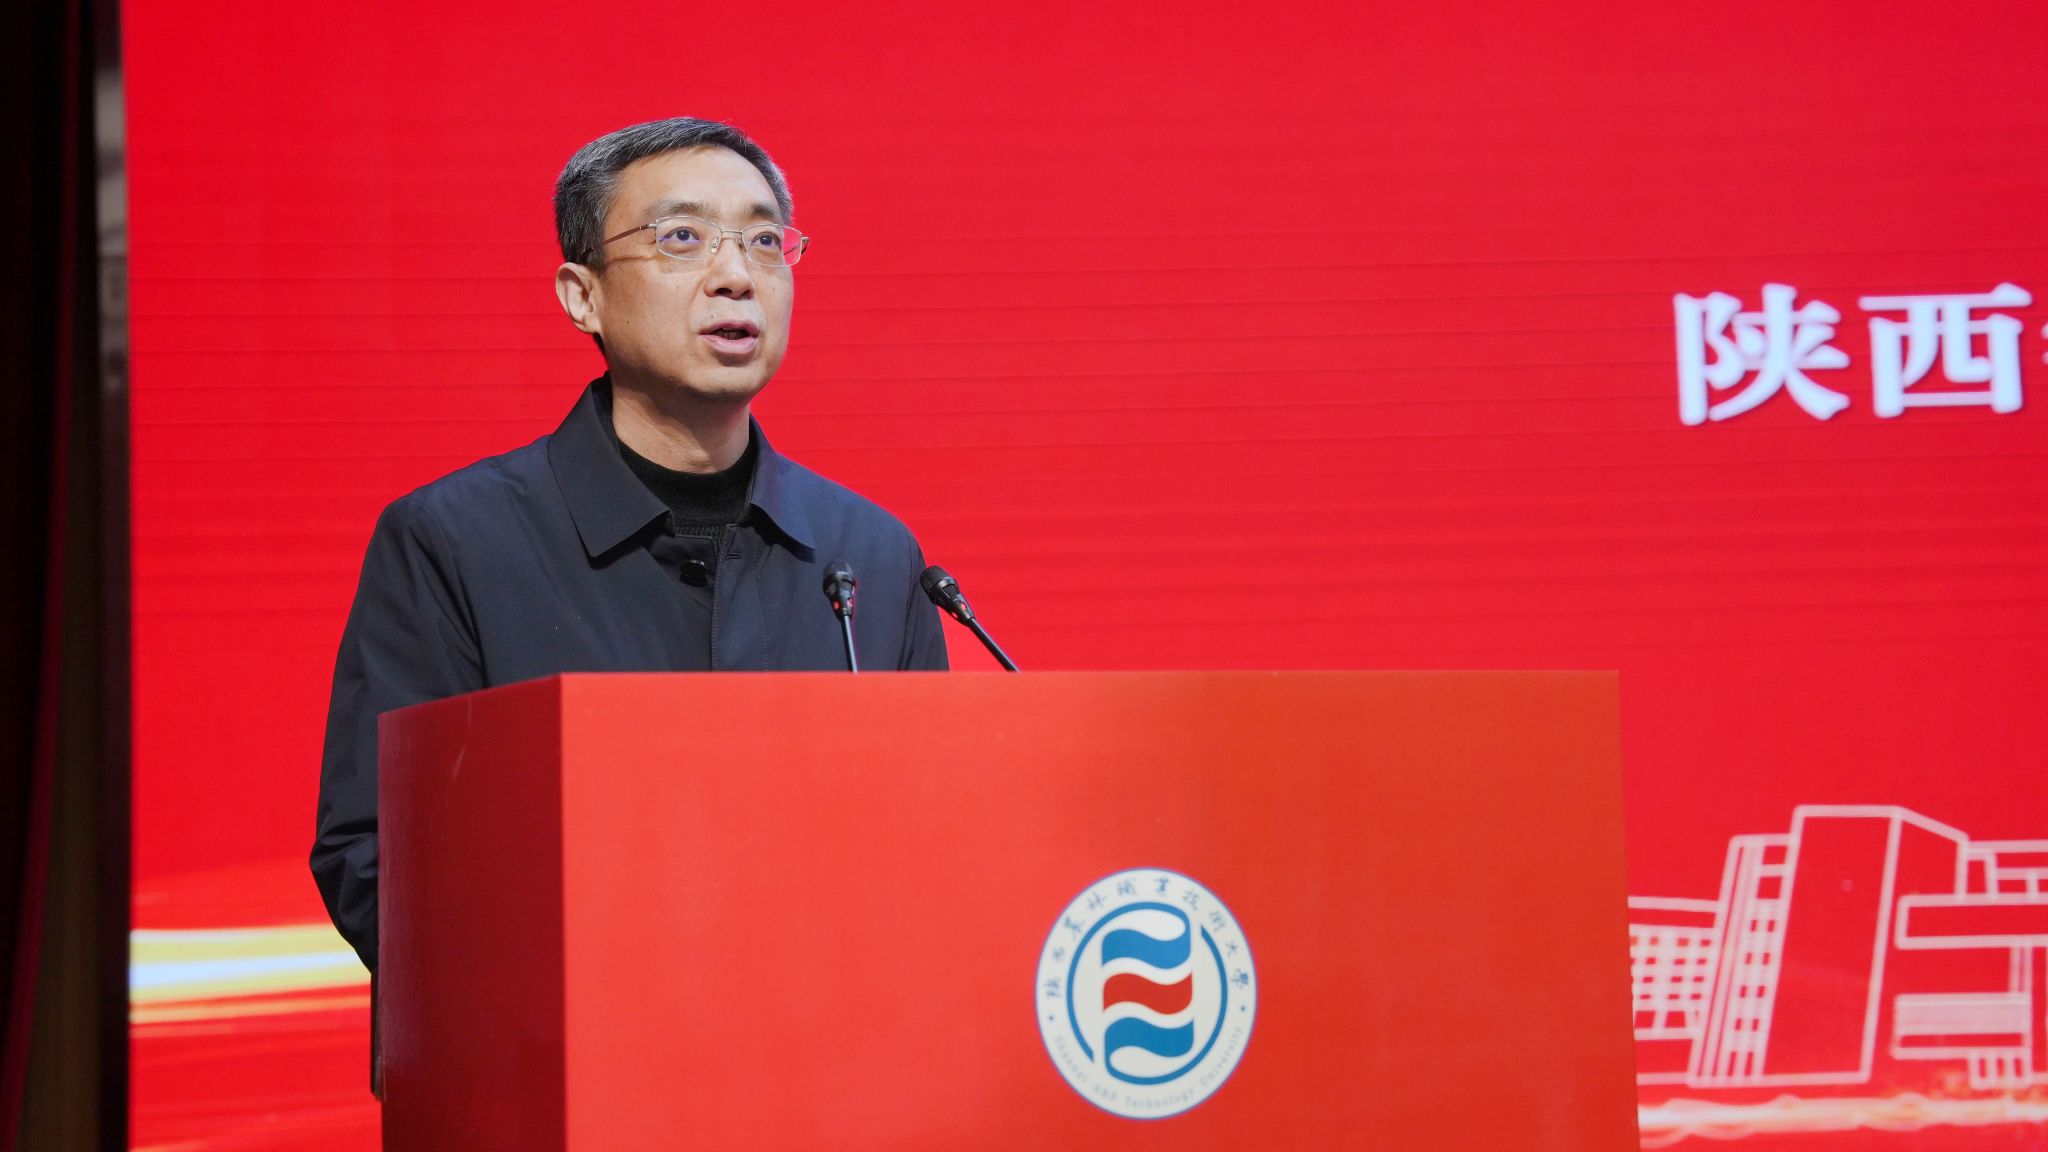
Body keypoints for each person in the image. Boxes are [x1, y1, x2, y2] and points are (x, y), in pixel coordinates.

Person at [311, 117, 948, 977]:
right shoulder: (455, 543)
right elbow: (377, 860)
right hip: (562, 1048)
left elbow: (933, 844)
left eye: (765, 241)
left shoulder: (870, 555)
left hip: (824, 1042)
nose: (736, 275)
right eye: (682, 238)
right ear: (583, 296)